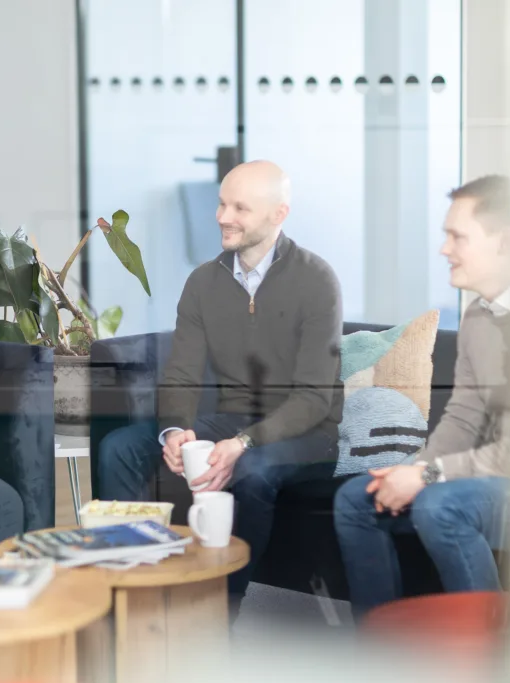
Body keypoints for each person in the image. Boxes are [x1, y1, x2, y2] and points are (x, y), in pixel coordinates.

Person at [98, 160, 344, 607]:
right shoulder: (203, 282)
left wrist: (244, 443)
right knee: (120, 446)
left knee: (252, 471)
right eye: (221, 203)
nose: (222, 217)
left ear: (278, 214)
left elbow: (314, 398)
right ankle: (131, 592)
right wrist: (174, 431)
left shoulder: (316, 280)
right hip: (231, 421)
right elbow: (181, 374)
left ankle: (217, 609)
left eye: (240, 208)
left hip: (310, 434)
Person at [334, 175, 510, 615]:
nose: (444, 249)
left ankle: (487, 656)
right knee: (356, 498)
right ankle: (381, 649)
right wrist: (414, 468)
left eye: (456, 237)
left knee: (440, 507)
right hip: (496, 471)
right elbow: (464, 417)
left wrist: (428, 477)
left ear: (505, 242)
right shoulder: (479, 317)